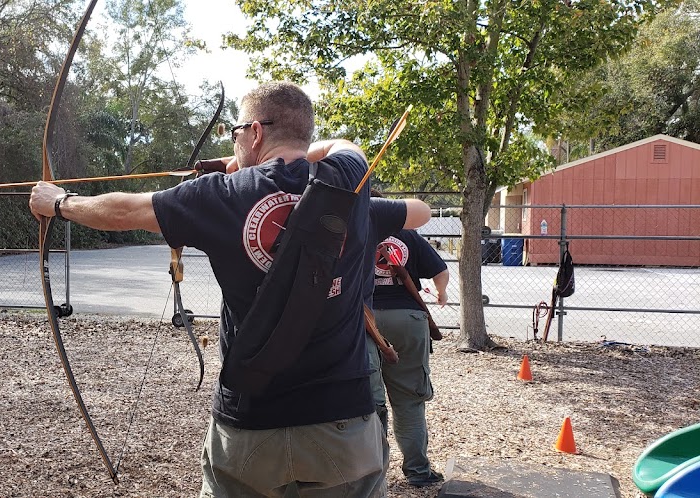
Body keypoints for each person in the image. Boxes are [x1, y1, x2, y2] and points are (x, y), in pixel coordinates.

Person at [29, 81, 431, 498]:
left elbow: (126, 210)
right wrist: (266, 155)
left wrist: (60, 203)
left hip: (249, 426)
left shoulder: (219, 195)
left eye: (236, 132)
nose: (234, 141)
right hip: (343, 424)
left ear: (255, 132)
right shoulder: (352, 184)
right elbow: (344, 144)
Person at [366, 223, 449, 488]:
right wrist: (442, 291)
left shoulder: (351, 228)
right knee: (409, 401)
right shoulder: (407, 235)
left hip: (364, 320)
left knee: (369, 403)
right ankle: (417, 471)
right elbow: (441, 270)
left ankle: (371, 474)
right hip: (408, 318)